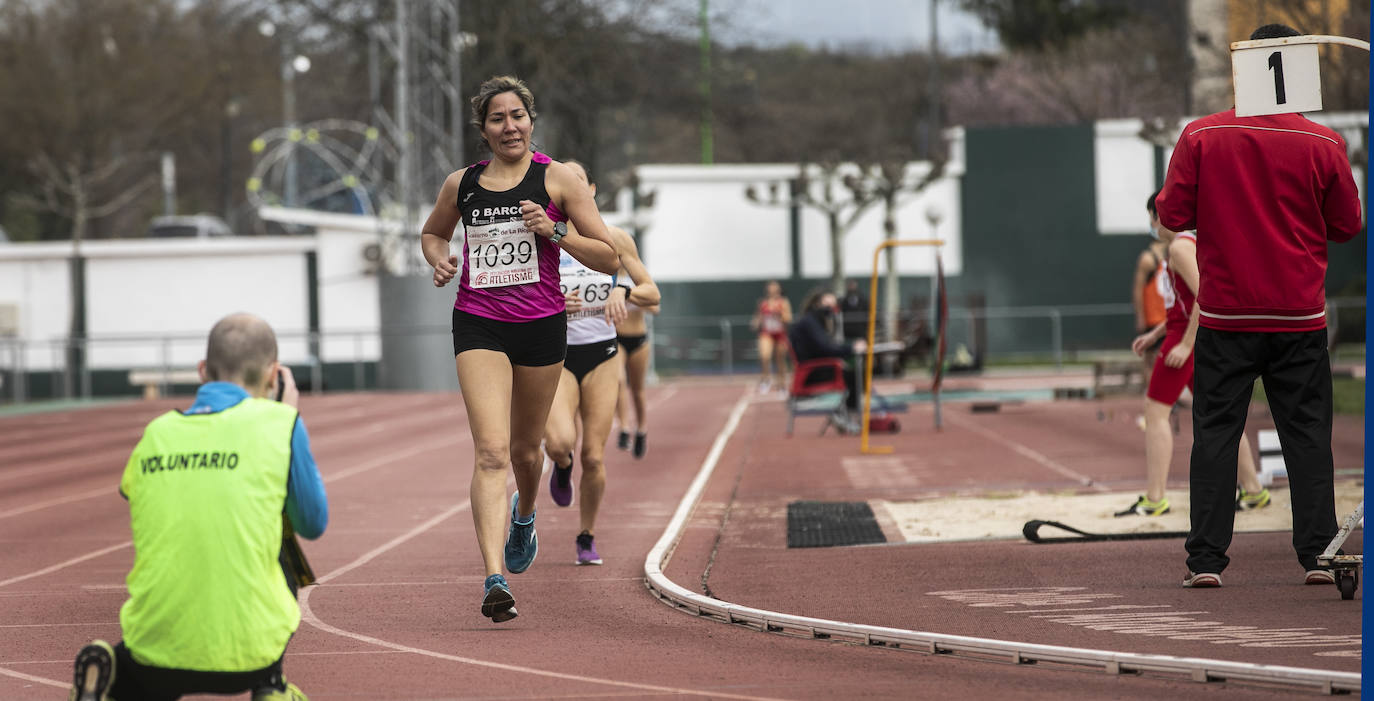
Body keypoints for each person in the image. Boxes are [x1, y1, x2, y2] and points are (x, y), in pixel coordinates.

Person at [1156, 24, 1363, 588]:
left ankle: (1205, 561)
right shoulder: (1324, 144)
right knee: (1307, 435)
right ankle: (1319, 552)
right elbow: (1348, 225)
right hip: (1298, 316)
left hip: (1226, 317)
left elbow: (1172, 215)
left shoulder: (1200, 135)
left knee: (1217, 433)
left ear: (1242, 69)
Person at [420, 75, 619, 621]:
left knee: (526, 452)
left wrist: (554, 233)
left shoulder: (557, 182)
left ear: (531, 121)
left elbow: (608, 258)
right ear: (483, 130)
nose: (508, 127)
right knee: (490, 450)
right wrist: (438, 258)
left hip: (540, 325)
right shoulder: (461, 184)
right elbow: (433, 233)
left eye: (516, 117)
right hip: (478, 323)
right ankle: (494, 579)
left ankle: (525, 514)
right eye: (496, 119)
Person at [68, 313, 328, 701]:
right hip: (249, 655)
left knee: (145, 673)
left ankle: (116, 676)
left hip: (154, 652)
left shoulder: (157, 433)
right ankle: (270, 685)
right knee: (280, 543)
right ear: (275, 376)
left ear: (202, 370)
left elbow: (134, 494)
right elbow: (313, 523)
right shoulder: (280, 423)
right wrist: (288, 415)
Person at [1119, 199, 1270, 518]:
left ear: (1161, 216)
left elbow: (1206, 296)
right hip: (1182, 335)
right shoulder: (1182, 247)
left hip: (1187, 341)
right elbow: (1182, 305)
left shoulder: (1180, 248)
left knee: (1155, 411)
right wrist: (1155, 334)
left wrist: (1185, 344)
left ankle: (1155, 498)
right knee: (1222, 417)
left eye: (1151, 219)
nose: (1152, 227)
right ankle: (1254, 491)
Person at [542, 161, 660, 565]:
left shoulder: (615, 239)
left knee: (594, 455)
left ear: (590, 189)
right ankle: (561, 464)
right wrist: (555, 303)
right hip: (556, 357)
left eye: (579, 181)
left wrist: (623, 292)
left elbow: (653, 294)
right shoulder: (546, 236)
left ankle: (586, 535)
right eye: (565, 182)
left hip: (603, 356)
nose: (572, 189)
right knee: (559, 443)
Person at [788, 288, 865, 433]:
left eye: (833, 306)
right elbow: (826, 348)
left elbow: (827, 348)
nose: (831, 310)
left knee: (857, 373)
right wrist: (852, 349)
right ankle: (843, 413)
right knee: (856, 375)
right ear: (818, 303)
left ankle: (844, 413)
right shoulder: (810, 322)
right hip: (811, 373)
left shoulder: (815, 321)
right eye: (828, 306)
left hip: (816, 368)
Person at [614, 291, 657, 460]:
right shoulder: (609, 275)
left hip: (639, 339)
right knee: (619, 381)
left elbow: (655, 307)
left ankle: (641, 429)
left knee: (637, 390)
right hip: (617, 337)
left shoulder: (638, 279)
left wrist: (630, 296)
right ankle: (624, 428)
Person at [1134, 194, 1171, 386]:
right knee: (1151, 360)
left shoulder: (1179, 250)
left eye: (1152, 217)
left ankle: (1163, 398)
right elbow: (1138, 289)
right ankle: (1154, 395)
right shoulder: (1148, 259)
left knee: (1166, 360)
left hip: (1171, 318)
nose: (1151, 223)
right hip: (1154, 318)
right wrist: (1141, 316)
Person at [750, 280, 792, 393]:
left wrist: (778, 315)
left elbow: (788, 318)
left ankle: (782, 384)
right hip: (767, 333)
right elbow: (758, 317)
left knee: (780, 360)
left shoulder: (783, 302)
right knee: (764, 356)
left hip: (780, 334)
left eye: (774, 287)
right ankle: (765, 380)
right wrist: (755, 323)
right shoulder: (763, 303)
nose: (772, 289)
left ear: (778, 289)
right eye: (770, 287)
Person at [839, 279, 869, 344]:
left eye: (853, 285)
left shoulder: (863, 299)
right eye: (850, 285)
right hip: (848, 331)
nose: (852, 287)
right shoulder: (843, 300)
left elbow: (867, 311)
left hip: (860, 330)